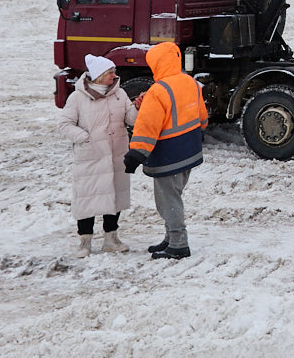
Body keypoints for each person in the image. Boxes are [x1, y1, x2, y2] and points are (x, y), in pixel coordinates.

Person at [124, 41, 208, 260]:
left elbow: (147, 126)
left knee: (168, 200)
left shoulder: (158, 91)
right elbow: (202, 117)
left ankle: (179, 243)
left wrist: (136, 154)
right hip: (189, 150)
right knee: (174, 195)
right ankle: (170, 237)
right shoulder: (190, 82)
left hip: (169, 154)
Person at [56, 54, 138, 258]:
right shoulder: (77, 97)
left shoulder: (120, 94)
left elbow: (132, 119)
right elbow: (64, 125)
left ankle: (111, 239)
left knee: (114, 195)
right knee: (87, 198)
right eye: (110, 72)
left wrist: (138, 107)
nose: (114, 75)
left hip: (116, 153)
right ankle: (85, 241)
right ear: (99, 75)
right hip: (91, 155)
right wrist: (85, 138)